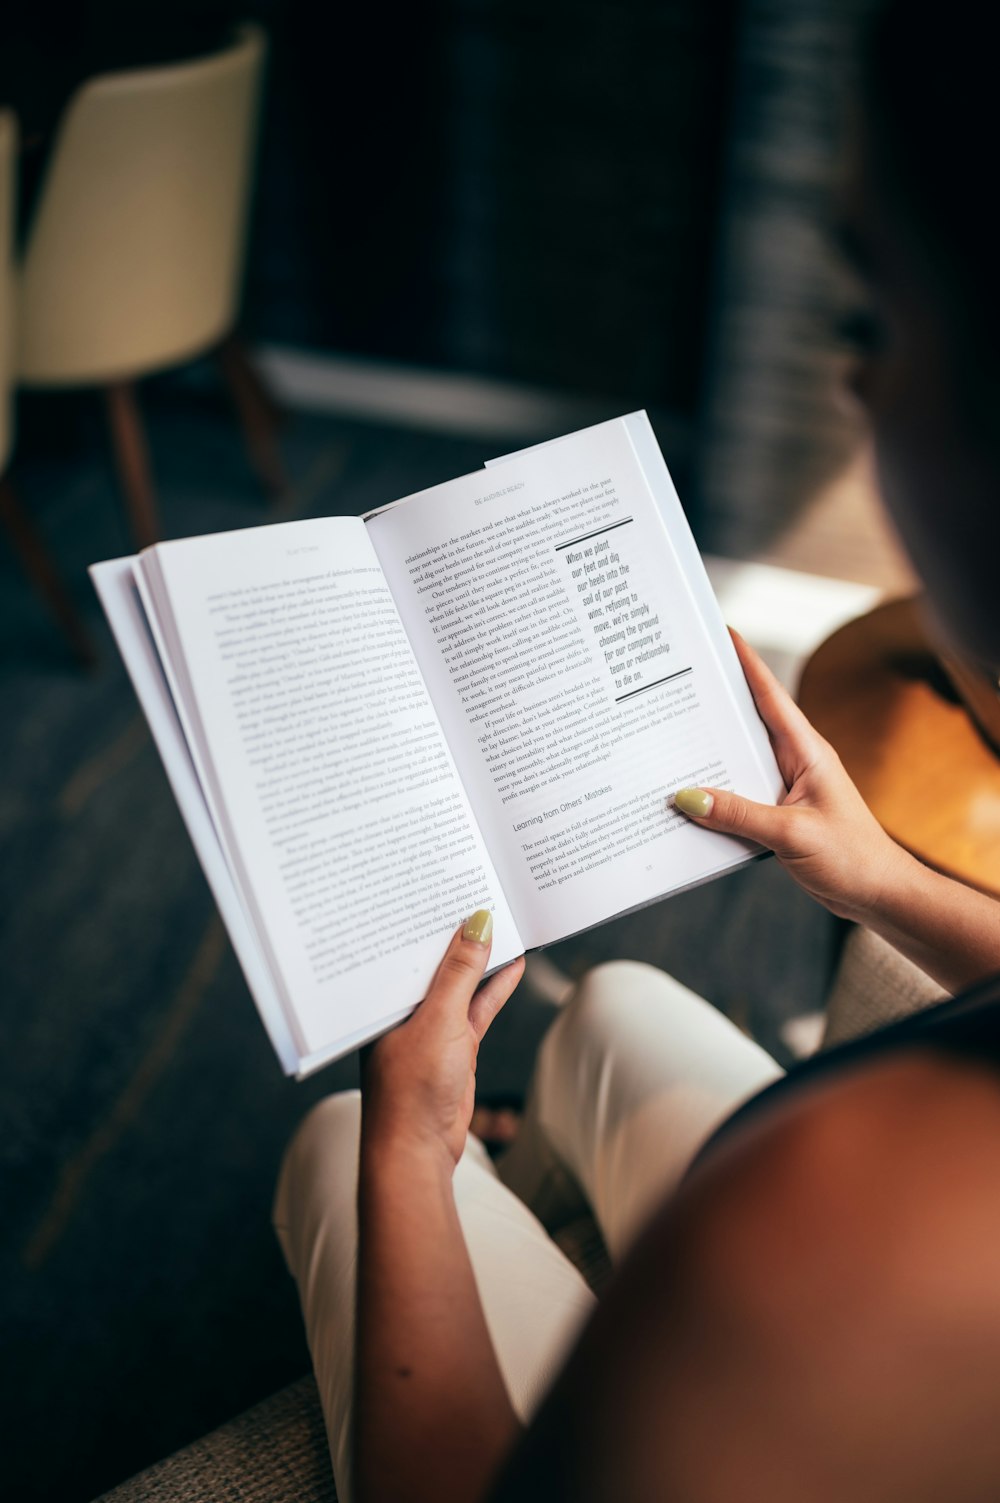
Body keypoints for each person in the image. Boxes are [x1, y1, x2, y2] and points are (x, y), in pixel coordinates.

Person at [273, 2, 1000, 1498]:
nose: (855, 397)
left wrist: (410, 1154)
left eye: (869, 326)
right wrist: (879, 881)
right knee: (611, 1005)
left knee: (342, 1130)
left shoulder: (836, 1236)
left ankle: (452, 1168)